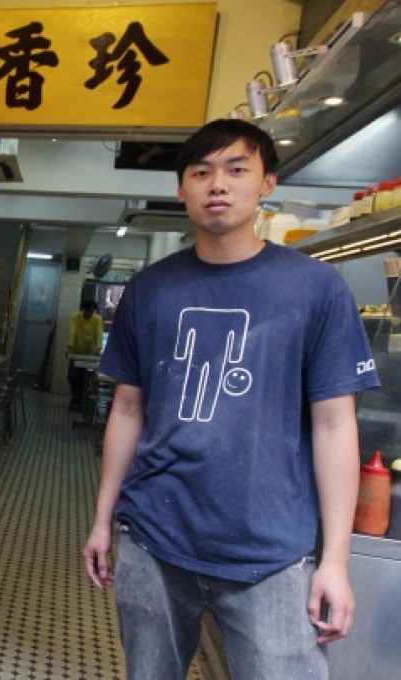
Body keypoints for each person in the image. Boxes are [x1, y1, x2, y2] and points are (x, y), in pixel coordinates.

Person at [81, 118, 380, 679]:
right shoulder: (149, 289)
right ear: (182, 189)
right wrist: (103, 519)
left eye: (236, 169)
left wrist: (336, 560)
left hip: (269, 552)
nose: (218, 184)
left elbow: (336, 427)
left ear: (268, 181)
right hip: (154, 537)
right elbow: (127, 410)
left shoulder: (315, 290)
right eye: (201, 171)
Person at [67, 299, 104, 407]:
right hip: (77, 351)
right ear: (83, 310)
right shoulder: (76, 317)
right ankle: (76, 397)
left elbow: (99, 335)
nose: (90, 314)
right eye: (88, 311)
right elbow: (72, 331)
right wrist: (70, 346)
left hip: (90, 353)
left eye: (92, 312)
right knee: (72, 376)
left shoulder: (97, 319)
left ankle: (83, 399)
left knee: (86, 377)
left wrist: (98, 348)